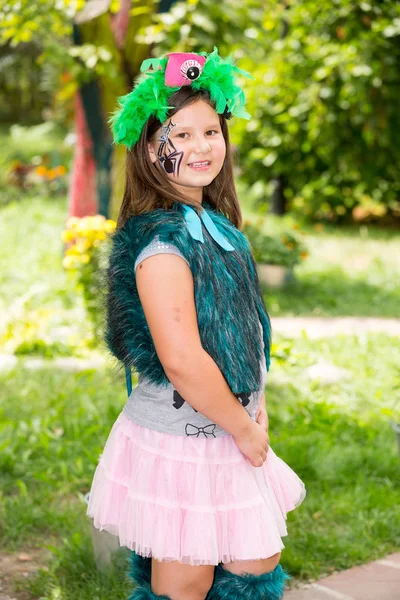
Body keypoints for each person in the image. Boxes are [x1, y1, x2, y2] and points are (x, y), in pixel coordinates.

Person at [87, 47, 306, 600]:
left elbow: (244, 332)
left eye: (211, 131)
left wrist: (256, 409)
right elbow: (182, 358)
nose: (201, 147)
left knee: (255, 558)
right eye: (180, 136)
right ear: (150, 148)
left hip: (231, 423)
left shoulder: (218, 226)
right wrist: (242, 427)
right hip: (183, 441)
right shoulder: (161, 243)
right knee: (187, 574)